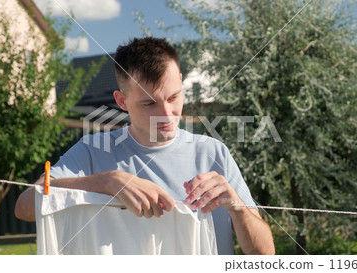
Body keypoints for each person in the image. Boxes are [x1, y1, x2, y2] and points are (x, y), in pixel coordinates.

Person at [15, 37, 275, 255]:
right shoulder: (94, 151)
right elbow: (24, 206)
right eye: (149, 104)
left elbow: (265, 255)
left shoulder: (212, 153)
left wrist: (237, 206)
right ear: (122, 100)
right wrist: (107, 182)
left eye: (173, 97)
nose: (166, 113)